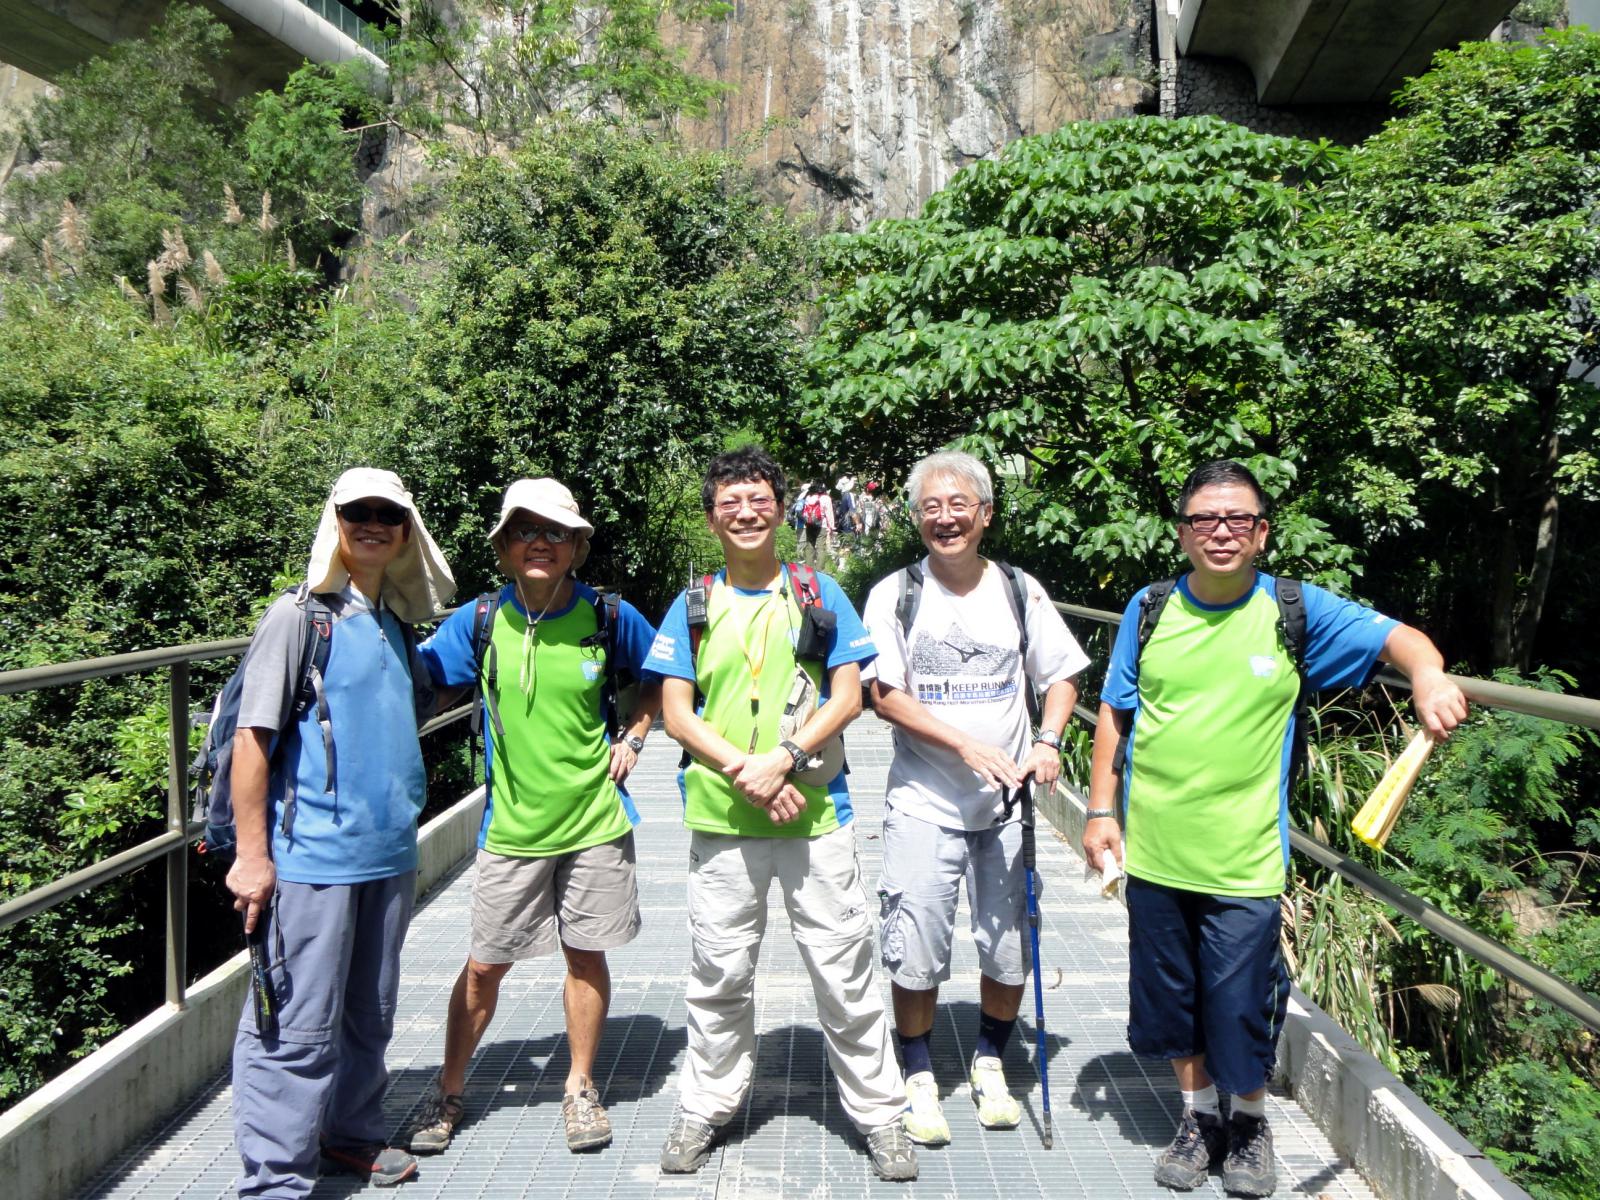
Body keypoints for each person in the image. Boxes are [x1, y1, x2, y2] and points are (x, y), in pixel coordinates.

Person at [1084, 460, 1468, 1198]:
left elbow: (1403, 639)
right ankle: (1199, 1117)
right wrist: (1101, 811)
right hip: (1154, 851)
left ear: (1261, 533)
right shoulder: (1150, 607)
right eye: (1204, 519)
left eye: (1238, 520)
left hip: (1246, 857)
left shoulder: (1294, 608)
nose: (1220, 531)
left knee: (1240, 1002)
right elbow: (1115, 710)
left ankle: (1251, 1123)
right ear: (1182, 533)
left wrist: (1427, 676)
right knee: (1174, 998)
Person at [644, 445, 919, 1182]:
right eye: (730, 502)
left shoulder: (819, 592)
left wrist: (785, 758)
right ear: (712, 518)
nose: (745, 513)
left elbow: (849, 697)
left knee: (844, 970)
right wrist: (753, 773)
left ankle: (881, 1115)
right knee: (719, 973)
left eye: (759, 499)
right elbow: (677, 715)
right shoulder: (693, 603)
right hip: (723, 818)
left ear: (781, 508)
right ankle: (705, 1104)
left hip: (816, 815)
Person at [404, 478, 662, 1155]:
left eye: (555, 532)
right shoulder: (480, 620)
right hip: (513, 827)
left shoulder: (607, 614)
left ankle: (579, 1086)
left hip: (595, 820)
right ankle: (449, 1088)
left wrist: (635, 735)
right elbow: (418, 681)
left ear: (577, 546)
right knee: (486, 965)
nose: (539, 542)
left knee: (585, 954)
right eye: (525, 530)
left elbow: (664, 674)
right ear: (505, 546)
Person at [228, 467, 455, 1197]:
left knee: (368, 1014)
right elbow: (251, 742)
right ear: (336, 523)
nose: (373, 525)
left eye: (388, 514)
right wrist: (252, 857)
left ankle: (350, 1136)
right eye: (359, 512)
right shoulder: (298, 618)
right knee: (295, 1023)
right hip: (312, 860)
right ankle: (277, 1179)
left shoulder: (393, 622)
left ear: (407, 531)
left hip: (387, 854)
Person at [862, 450, 1089, 1145]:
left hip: (1007, 807)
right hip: (923, 801)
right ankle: (918, 1070)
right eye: (931, 507)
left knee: (1009, 942)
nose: (945, 518)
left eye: (959, 504)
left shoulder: (1019, 589)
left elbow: (1061, 675)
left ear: (985, 514)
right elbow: (884, 695)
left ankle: (991, 1059)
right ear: (915, 518)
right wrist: (965, 745)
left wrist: (1048, 741)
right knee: (915, 943)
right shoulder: (894, 594)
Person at [799, 481, 834, 567]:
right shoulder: (826, 498)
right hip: (821, 525)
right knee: (821, 548)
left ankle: (809, 569)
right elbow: (829, 514)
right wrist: (831, 527)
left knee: (809, 546)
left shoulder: (808, 497)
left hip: (809, 524)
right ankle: (819, 570)